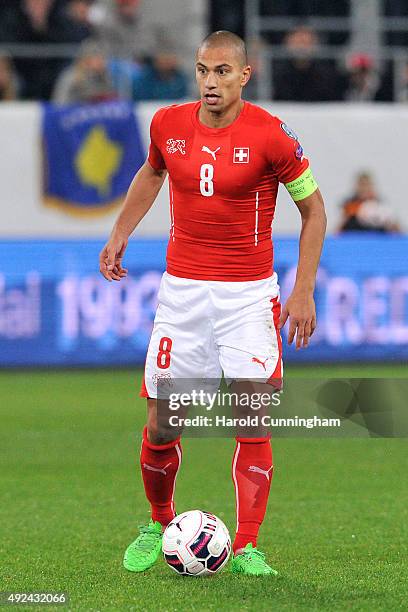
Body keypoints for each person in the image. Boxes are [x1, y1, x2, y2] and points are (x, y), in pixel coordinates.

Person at [100, 30, 326, 576]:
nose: (210, 82)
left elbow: (314, 211)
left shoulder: (273, 137)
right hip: (182, 295)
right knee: (162, 423)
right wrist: (120, 231)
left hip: (249, 297)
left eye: (222, 72)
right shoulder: (167, 125)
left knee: (251, 417)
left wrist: (302, 289)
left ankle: (247, 545)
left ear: (244, 75)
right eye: (203, 70)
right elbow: (153, 172)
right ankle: (159, 522)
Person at [273, 26, 345, 101]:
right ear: (287, 42)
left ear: (315, 44)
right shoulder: (275, 74)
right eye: (298, 43)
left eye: (305, 42)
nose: (301, 48)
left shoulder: (328, 75)